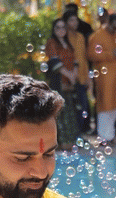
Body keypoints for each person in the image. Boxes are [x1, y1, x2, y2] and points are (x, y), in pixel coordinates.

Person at [87, 13, 116, 142]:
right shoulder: (97, 36)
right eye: (113, 25)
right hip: (104, 77)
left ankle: (110, 135)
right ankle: (103, 137)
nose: (114, 29)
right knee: (105, 105)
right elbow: (91, 54)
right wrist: (111, 54)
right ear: (108, 22)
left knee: (115, 106)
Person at [45, 18, 79, 150]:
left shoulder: (68, 43)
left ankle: (71, 141)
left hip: (70, 83)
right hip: (58, 82)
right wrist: (69, 75)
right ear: (54, 30)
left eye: (63, 27)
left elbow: (75, 60)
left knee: (70, 111)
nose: (61, 30)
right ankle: (61, 142)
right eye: (58, 28)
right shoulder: (52, 43)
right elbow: (54, 63)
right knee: (60, 112)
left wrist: (74, 74)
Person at [63, 10, 92, 134]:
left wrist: (88, 78)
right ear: (65, 22)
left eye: (75, 20)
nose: (74, 23)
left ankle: (79, 134)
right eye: (71, 20)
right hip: (69, 78)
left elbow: (84, 59)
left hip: (81, 77)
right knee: (71, 108)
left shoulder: (80, 37)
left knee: (83, 107)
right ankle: (72, 135)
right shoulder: (64, 37)